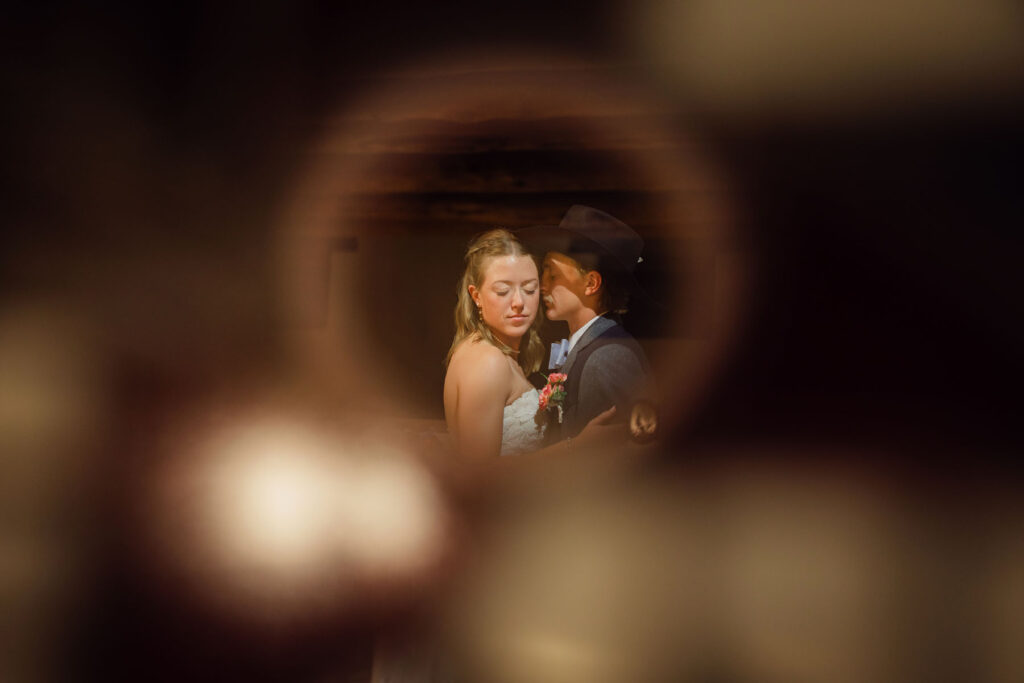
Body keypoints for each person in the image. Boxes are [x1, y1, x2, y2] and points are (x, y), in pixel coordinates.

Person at [519, 205, 653, 441]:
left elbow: (608, 456)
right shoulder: (586, 345)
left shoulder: (607, 358)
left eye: (553, 275)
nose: (543, 286)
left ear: (591, 283)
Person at [443, 229, 548, 458]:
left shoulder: (483, 349)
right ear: (476, 296)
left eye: (530, 288)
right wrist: (573, 448)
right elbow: (480, 473)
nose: (519, 302)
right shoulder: (489, 362)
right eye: (503, 291)